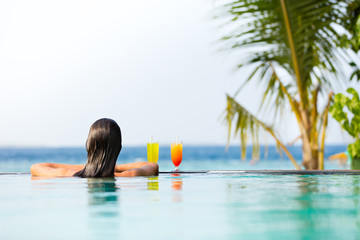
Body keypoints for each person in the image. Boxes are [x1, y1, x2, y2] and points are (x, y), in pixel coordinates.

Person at [30, 118, 159, 177]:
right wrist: (112, 167)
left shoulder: (69, 174)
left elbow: (36, 167)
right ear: (119, 148)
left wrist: (87, 167)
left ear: (88, 145)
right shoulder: (126, 176)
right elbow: (152, 165)